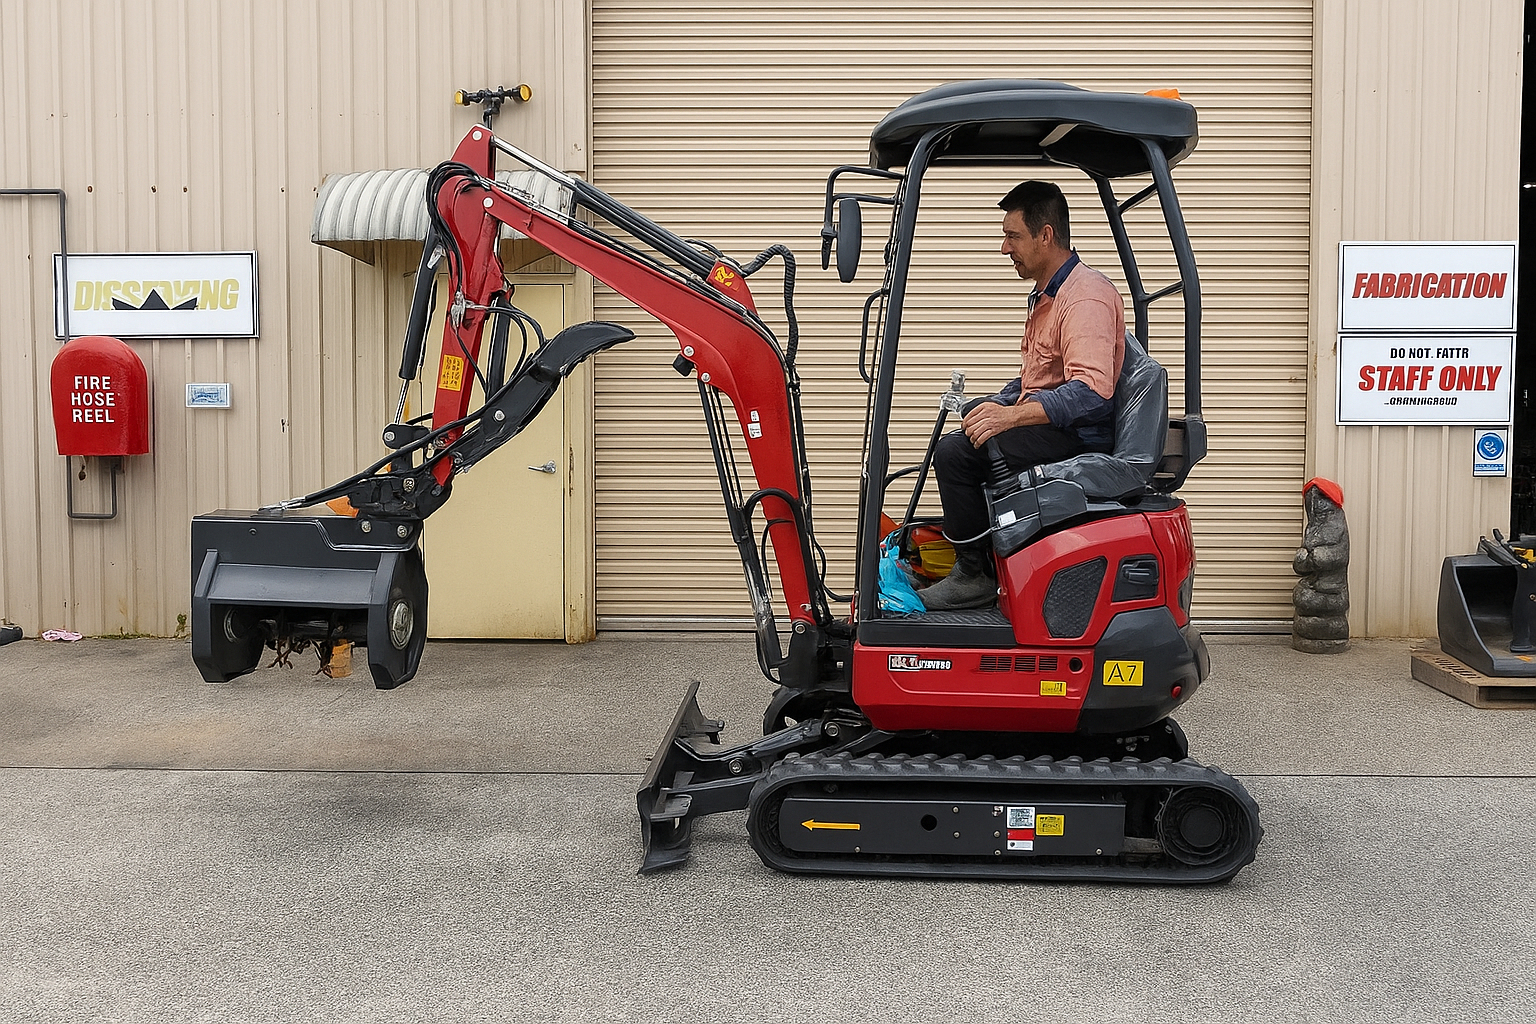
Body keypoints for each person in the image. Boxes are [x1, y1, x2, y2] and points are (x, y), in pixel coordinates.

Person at [920, 180, 1126, 611]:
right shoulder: (1048, 295)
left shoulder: (1085, 297)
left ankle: (973, 574)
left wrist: (1011, 417)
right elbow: (1038, 377)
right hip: (1057, 425)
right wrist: (999, 402)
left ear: (1045, 235)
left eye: (1012, 236)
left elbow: (1091, 392)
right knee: (972, 427)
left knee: (955, 454)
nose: (1004, 248)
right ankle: (988, 560)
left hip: (1079, 436)